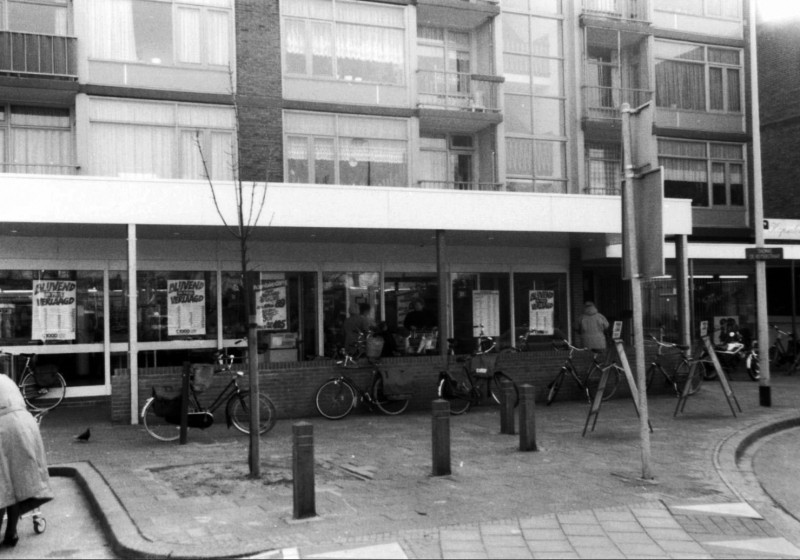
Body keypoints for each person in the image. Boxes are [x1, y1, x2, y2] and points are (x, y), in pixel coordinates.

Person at [0, 374, 53, 548]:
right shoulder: (6, 379)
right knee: (17, 482)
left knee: (2, 484)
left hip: (4, 428)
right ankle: (11, 532)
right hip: (25, 425)